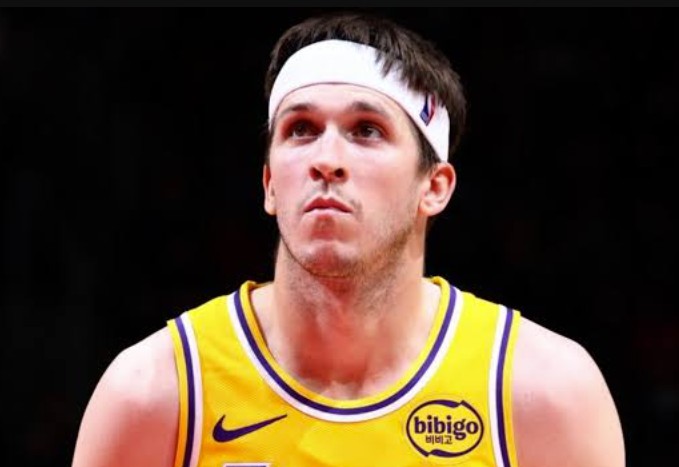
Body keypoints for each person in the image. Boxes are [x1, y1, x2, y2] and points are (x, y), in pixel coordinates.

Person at [72, 11, 625, 467]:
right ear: (269, 183)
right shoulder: (155, 395)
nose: (327, 159)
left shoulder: (543, 394)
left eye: (367, 131)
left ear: (434, 187)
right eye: (301, 130)